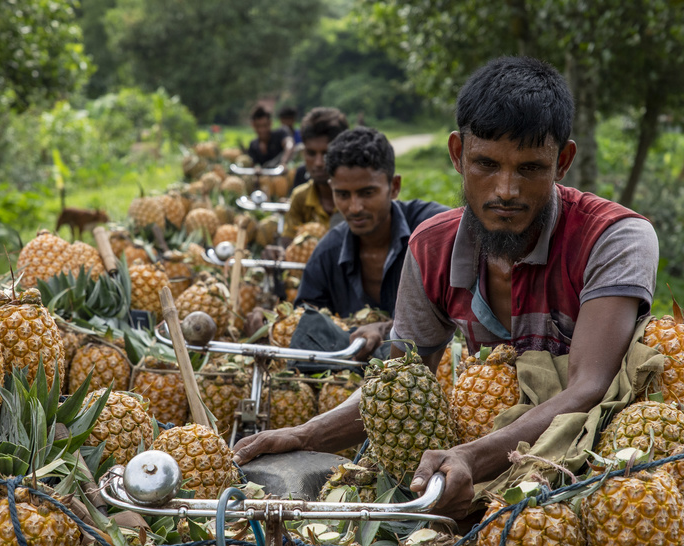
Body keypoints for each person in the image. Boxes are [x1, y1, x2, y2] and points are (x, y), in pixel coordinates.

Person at [234, 56, 659, 521]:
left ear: (564, 161)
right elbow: (394, 381)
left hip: (603, 468)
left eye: (531, 168)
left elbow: (589, 387)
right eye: (485, 164)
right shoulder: (431, 249)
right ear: (457, 154)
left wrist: (470, 458)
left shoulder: (613, 238)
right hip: (490, 457)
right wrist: (305, 434)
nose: (506, 190)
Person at [292, 127, 448, 354]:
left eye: (367, 193)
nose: (354, 208)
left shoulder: (434, 232)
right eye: (343, 195)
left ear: (394, 187)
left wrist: (387, 328)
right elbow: (305, 325)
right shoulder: (327, 253)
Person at [280, 107, 350, 246]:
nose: (318, 163)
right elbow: (288, 246)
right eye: (311, 153)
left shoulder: (356, 200)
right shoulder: (300, 197)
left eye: (326, 154)